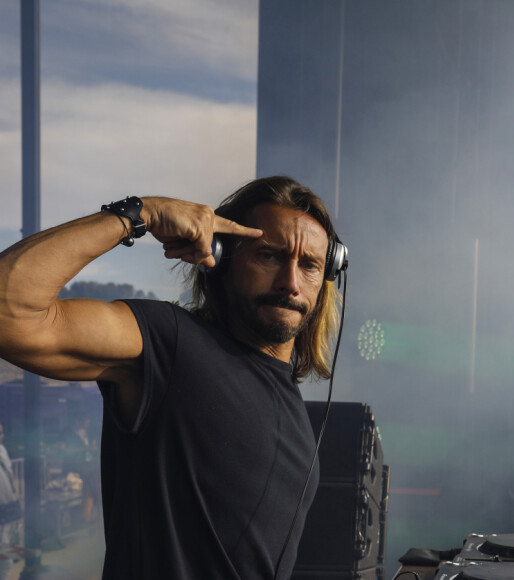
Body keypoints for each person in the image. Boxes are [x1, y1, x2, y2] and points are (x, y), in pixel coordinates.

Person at [0, 175, 345, 579]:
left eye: (309, 265)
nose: (290, 283)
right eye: (269, 256)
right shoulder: (169, 342)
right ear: (222, 260)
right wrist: (140, 213)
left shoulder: (291, 403)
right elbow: (10, 314)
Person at [0, 424, 21, 580]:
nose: (1, 435)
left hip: (7, 509)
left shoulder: (2, 450)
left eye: (1, 432)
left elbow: (9, 475)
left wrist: (15, 497)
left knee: (5, 559)